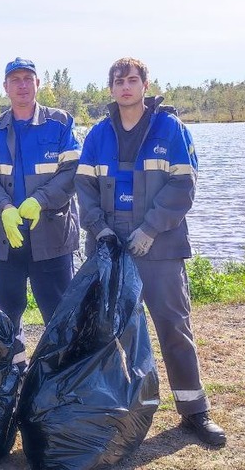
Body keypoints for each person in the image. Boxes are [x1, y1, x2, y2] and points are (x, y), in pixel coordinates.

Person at [76, 57, 226, 448]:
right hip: (109, 248)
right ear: (110, 88)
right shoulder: (97, 135)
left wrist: (150, 228)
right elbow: (85, 190)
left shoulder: (170, 129)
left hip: (159, 247)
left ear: (145, 85)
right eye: (118, 81)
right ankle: (114, 417)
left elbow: (183, 186)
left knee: (174, 328)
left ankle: (194, 412)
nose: (125, 86)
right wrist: (101, 229)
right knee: (110, 332)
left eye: (132, 80)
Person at [0, 58, 80, 367]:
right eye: (15, 79)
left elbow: (72, 171)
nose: (21, 85)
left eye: (27, 79)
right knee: (7, 313)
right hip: (6, 237)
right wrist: (4, 208)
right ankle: (15, 372)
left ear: (38, 84)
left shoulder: (60, 123)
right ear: (5, 87)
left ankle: (60, 374)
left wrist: (41, 200)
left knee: (58, 311)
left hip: (51, 234)